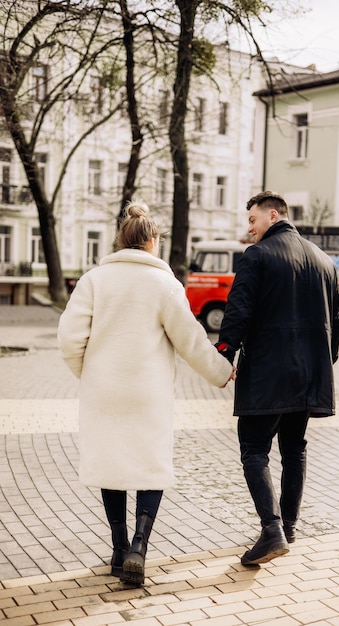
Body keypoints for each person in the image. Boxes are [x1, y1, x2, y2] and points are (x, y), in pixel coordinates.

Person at [57, 201, 234, 586]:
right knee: (150, 463)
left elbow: (69, 338)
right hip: (148, 393)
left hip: (103, 390)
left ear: (121, 239)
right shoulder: (165, 284)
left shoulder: (93, 280)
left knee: (112, 463)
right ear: (153, 241)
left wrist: (88, 374)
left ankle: (118, 550)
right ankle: (139, 545)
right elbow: (191, 341)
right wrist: (221, 372)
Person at [215, 191, 339, 566]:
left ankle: (272, 530)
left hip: (267, 376)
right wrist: (323, 362)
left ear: (273, 216)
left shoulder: (257, 256)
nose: (249, 229)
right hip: (308, 377)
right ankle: (288, 525)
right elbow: (335, 323)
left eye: (252, 221)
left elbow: (237, 312)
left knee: (254, 450)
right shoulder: (323, 260)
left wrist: (224, 358)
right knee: (294, 449)